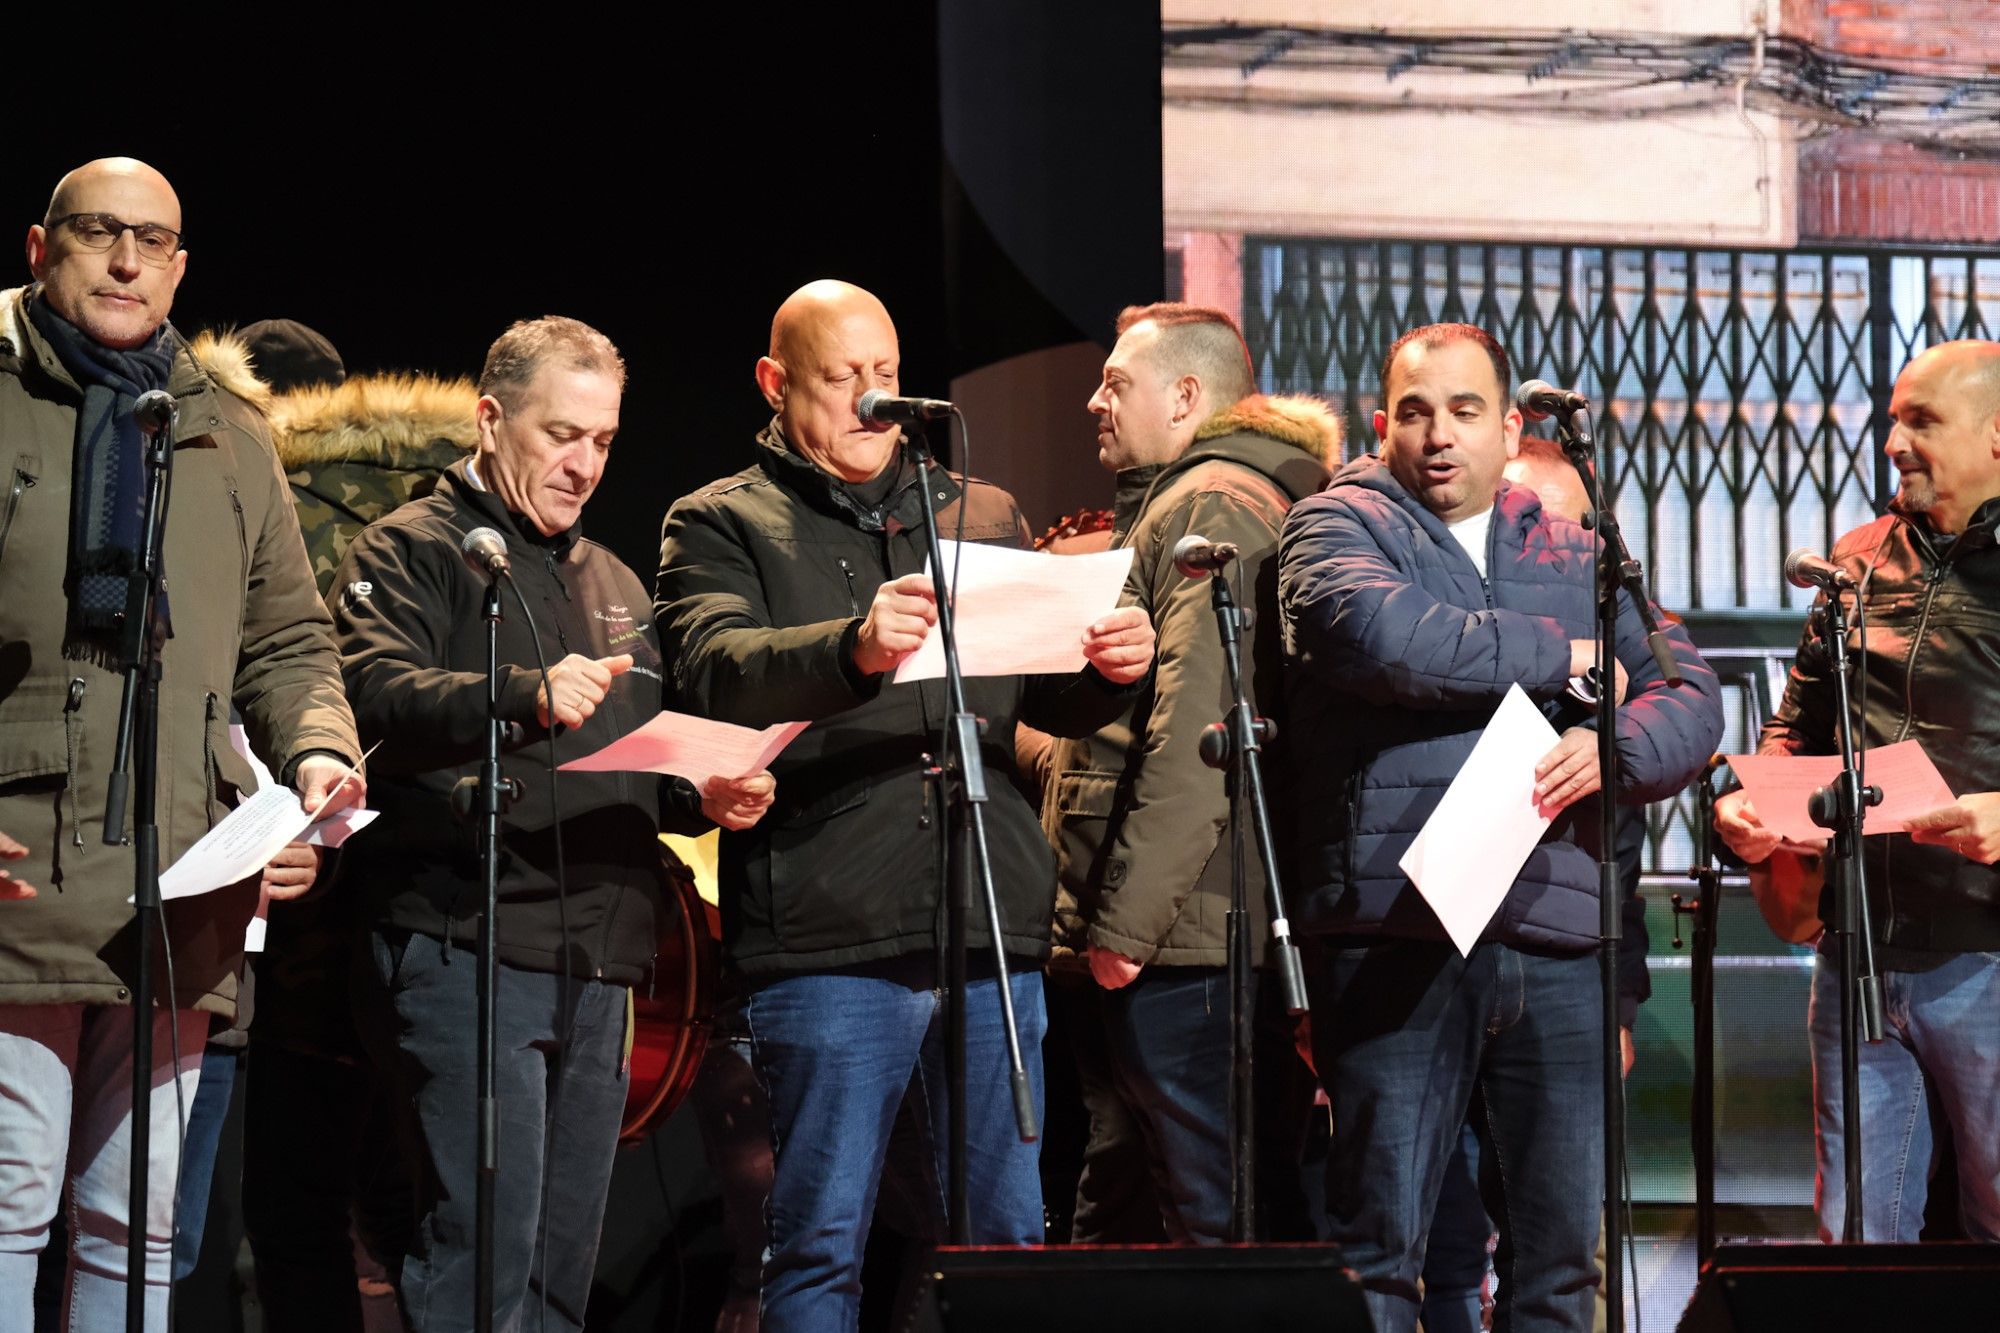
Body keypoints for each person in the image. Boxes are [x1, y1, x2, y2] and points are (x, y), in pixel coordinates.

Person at [653, 279, 1155, 1333]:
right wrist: (850, 646)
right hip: (830, 930)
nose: (871, 401)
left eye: (884, 377)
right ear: (774, 382)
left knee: (1006, 1237)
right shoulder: (720, 520)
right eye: (841, 379)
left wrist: (1109, 666)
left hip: (985, 920)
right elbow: (713, 668)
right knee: (819, 1241)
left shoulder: (976, 511)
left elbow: (1039, 690)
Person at [329, 316, 773, 1330]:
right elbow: (369, 694)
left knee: (560, 1272)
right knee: (482, 1260)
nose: (582, 464)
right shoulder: (409, 547)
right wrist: (520, 691)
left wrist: (706, 789)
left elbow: (636, 758)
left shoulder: (614, 582)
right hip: (464, 942)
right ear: (490, 419)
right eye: (559, 435)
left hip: (599, 957)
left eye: (603, 442)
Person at [1277, 322, 1722, 1332]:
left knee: (1558, 1264)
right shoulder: (1332, 525)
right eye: (1416, 410)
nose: (1439, 434)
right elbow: (1389, 641)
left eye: (1465, 411)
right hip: (1397, 928)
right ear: (1381, 421)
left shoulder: (1574, 543)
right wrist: (1565, 657)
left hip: (1553, 936)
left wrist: (1616, 748)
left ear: (1509, 428)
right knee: (1376, 1258)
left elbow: (1688, 697)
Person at [0, 157, 363, 1329]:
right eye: (99, 233)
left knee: (137, 1215)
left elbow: (291, 638)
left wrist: (314, 755)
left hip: (185, 881)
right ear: (39, 246)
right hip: (16, 868)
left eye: (151, 242)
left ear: (181, 268)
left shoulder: (228, 435)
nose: (124, 260)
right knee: (8, 1195)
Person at [1042, 302, 1332, 1244]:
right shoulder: (1229, 491)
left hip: (1185, 939)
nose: (1095, 400)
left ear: (1188, 394)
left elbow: (1197, 734)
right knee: (1143, 1199)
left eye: (1117, 383)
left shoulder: (1210, 503)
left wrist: (1121, 926)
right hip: (1185, 930)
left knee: (1218, 1217)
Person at [1713, 338, 2000, 1245]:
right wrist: (1746, 809)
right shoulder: (1856, 562)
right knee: (1856, 1241)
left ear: (1997, 435)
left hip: (1988, 956)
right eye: (1892, 421)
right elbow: (1791, 728)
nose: (1895, 442)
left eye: (1922, 421)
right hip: (1857, 956)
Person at [242, 319, 479, 1329]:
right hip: (437, 903)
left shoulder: (257, 493)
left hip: (300, 905)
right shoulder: (463, 503)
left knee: (296, 1208)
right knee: (417, 1200)